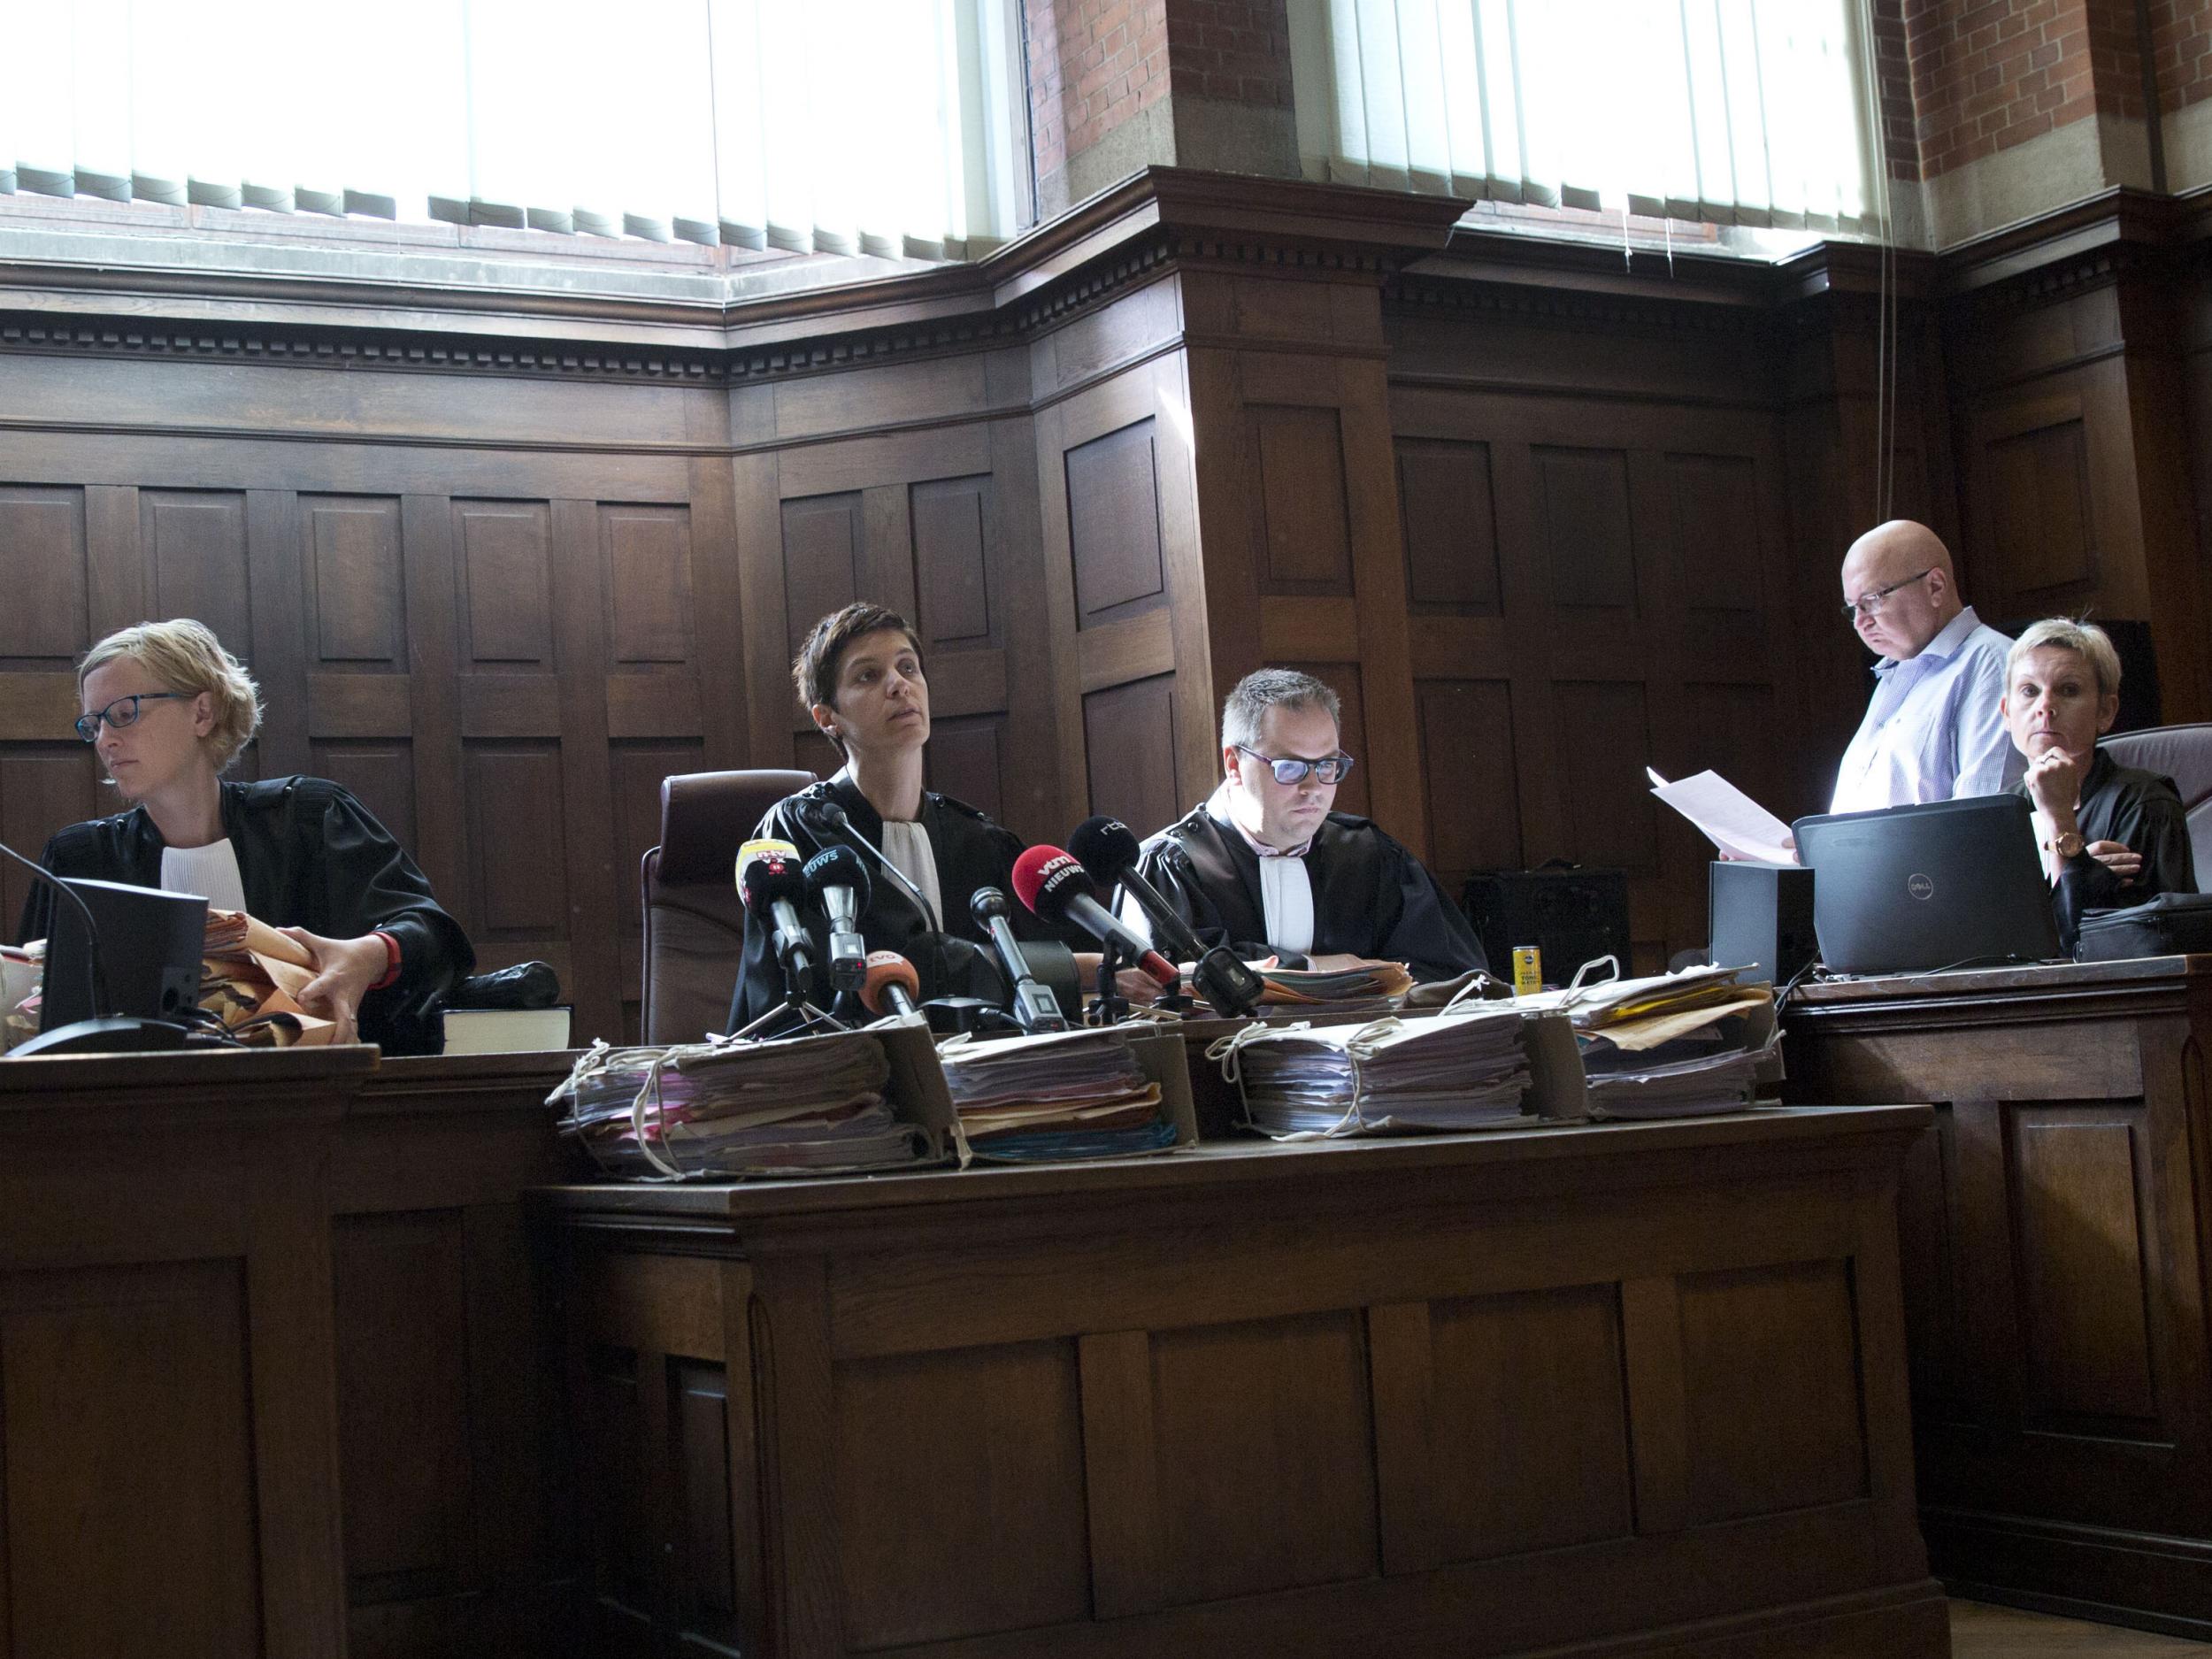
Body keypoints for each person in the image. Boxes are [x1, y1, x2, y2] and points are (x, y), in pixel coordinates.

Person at [17, 618, 472, 1051]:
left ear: (202, 712)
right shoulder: (78, 860)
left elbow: (435, 937)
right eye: (94, 724)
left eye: (123, 713)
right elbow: (27, 1006)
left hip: (319, 1099)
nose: (105, 740)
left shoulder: (311, 817)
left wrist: (369, 956)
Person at [726, 603, 1093, 1033]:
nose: (898, 685)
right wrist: (1077, 968)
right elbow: (894, 957)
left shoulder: (975, 837)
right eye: (868, 675)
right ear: (827, 718)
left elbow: (1054, 949)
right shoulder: (797, 829)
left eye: (908, 668)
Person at [1133, 668, 1486, 983]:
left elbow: (1453, 976)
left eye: (1328, 765)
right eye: (1289, 766)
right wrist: (1322, 968)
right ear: (1234, 765)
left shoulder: (1372, 856)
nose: (1313, 788)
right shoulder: (1173, 866)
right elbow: (1163, 987)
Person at [2004, 618, 2195, 949]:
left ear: (2105, 712)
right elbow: (1996, 943)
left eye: (2069, 690)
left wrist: (2062, 822)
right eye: (2029, 691)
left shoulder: (2147, 805)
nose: (2045, 706)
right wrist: (2085, 870)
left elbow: (2089, 947)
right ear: (2006, 712)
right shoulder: (2003, 812)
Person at [1832, 519, 2021, 814]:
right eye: (1852, 607)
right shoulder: (1891, 675)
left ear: (1935, 586)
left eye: (1872, 600)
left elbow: (1982, 824)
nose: (1860, 622)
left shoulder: (1993, 665)